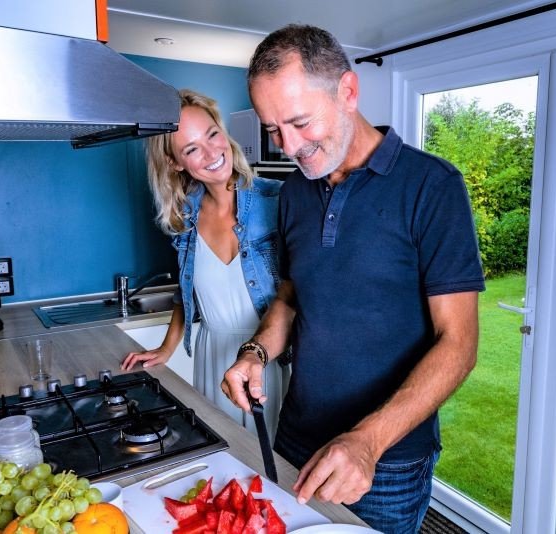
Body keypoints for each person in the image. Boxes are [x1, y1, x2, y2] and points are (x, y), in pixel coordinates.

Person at [220, 25, 485, 533]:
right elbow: (291, 297)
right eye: (273, 129)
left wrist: (368, 440)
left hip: (385, 460)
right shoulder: (295, 192)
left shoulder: (433, 187)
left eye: (300, 122)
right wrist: (255, 354)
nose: (289, 146)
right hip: (294, 438)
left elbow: (459, 344)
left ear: (347, 91)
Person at [121, 89, 288, 439]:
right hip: (211, 355)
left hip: (265, 362)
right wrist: (167, 348)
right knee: (221, 454)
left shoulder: (278, 200)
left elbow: (300, 294)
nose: (212, 153)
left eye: (212, 135)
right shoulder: (186, 216)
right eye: (192, 149)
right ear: (175, 163)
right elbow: (186, 294)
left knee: (270, 462)